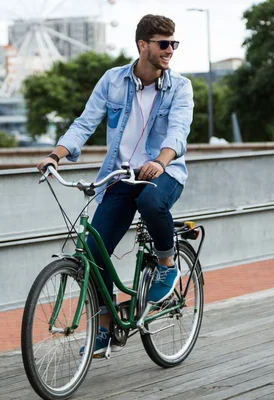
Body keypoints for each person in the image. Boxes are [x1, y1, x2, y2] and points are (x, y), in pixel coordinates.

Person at [36, 14, 194, 356]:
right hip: (120, 176)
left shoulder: (180, 86)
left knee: (151, 204)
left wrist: (160, 162)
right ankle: (104, 328)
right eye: (163, 44)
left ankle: (167, 263)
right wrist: (56, 155)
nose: (170, 50)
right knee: (93, 252)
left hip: (163, 172)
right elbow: (84, 123)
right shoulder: (112, 81)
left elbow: (178, 132)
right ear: (142, 45)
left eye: (173, 43)